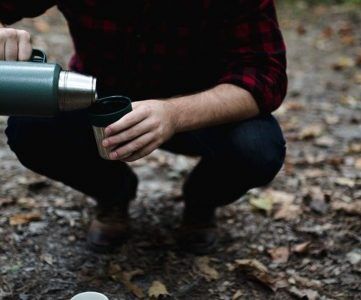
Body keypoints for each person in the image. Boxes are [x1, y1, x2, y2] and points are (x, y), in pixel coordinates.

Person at [0, 1, 287, 254]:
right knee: (30, 128)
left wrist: (174, 114)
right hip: (99, 99)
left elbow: (266, 74)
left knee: (257, 149)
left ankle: (202, 200)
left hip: (199, 107)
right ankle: (113, 193)